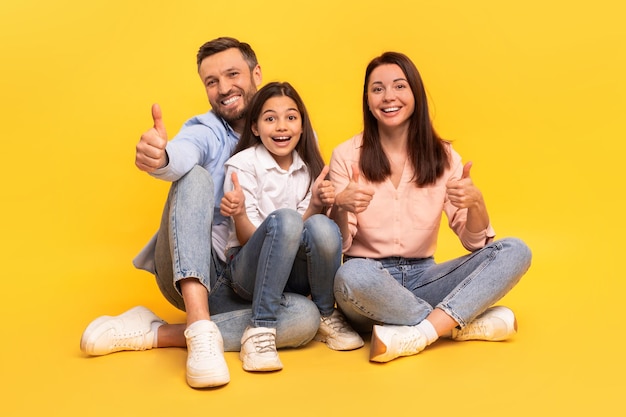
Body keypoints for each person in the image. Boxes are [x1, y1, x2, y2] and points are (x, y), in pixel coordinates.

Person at [79, 38, 322, 388]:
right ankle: (199, 324)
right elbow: (180, 153)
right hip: (196, 272)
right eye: (212, 81)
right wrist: (161, 158)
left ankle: (161, 333)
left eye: (233, 74)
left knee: (305, 318)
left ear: (256, 73)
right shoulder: (205, 130)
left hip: (255, 281)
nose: (224, 88)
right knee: (192, 174)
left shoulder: (292, 132)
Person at [328, 51, 532, 363]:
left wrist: (476, 204)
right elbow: (341, 244)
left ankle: (422, 332)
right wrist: (341, 206)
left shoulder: (445, 157)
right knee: (350, 274)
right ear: (367, 100)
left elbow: (474, 242)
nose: (388, 97)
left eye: (399, 86)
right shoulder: (345, 155)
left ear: (415, 94)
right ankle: (458, 323)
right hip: (369, 282)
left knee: (516, 249)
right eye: (377, 89)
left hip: (426, 277)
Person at [219, 82, 363, 372]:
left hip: (292, 275)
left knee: (321, 224)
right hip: (247, 271)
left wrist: (317, 204)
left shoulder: (309, 167)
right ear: (256, 127)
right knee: (285, 219)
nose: (281, 126)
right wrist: (239, 215)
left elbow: (305, 231)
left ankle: (325, 315)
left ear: (301, 125)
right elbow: (249, 239)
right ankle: (260, 328)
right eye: (270, 118)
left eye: (291, 117)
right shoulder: (242, 165)